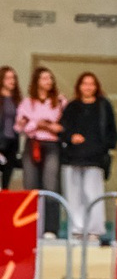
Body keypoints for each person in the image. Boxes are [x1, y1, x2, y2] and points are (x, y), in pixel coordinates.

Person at [57, 72, 117, 241]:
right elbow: (62, 130)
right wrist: (71, 137)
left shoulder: (104, 106)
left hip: (95, 158)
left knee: (93, 194)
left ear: (96, 87)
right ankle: (77, 229)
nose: (88, 87)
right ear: (79, 86)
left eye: (92, 84)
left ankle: (94, 230)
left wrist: (105, 147)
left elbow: (112, 132)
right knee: (74, 195)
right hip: (72, 157)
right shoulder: (72, 106)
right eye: (85, 84)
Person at [15, 66, 63, 225]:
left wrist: (37, 123)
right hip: (33, 144)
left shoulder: (60, 101)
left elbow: (60, 127)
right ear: (37, 82)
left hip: (51, 145)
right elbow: (21, 127)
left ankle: (50, 227)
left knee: (51, 184)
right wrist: (40, 124)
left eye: (50, 78)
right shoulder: (27, 102)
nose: (48, 81)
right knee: (30, 184)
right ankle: (31, 226)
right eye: (44, 78)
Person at [0, 65, 20, 190]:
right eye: (8, 78)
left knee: (6, 180)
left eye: (13, 78)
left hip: (12, 142)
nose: (11, 81)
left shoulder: (17, 99)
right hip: (0, 141)